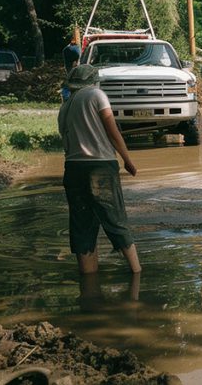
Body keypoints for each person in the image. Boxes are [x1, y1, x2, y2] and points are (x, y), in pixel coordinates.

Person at [57, 64, 141, 274]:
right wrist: (127, 159)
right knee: (116, 220)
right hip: (100, 167)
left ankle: (89, 282)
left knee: (82, 226)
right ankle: (137, 274)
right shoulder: (96, 95)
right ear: (93, 80)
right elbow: (112, 131)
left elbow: (67, 143)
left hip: (73, 170)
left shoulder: (64, 108)